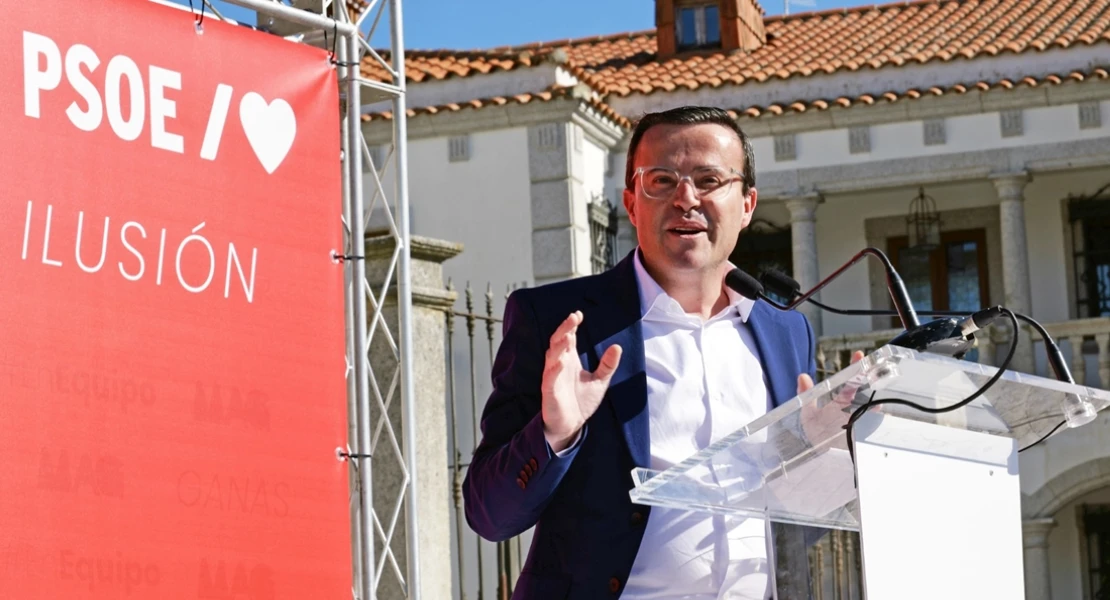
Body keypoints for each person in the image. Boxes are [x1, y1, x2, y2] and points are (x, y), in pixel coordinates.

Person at [463, 105, 823, 599]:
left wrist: (820, 460)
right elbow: (489, 515)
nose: (685, 199)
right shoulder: (558, 323)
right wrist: (553, 434)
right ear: (632, 204)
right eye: (661, 180)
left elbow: (797, 523)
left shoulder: (788, 333)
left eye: (709, 179)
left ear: (747, 204)